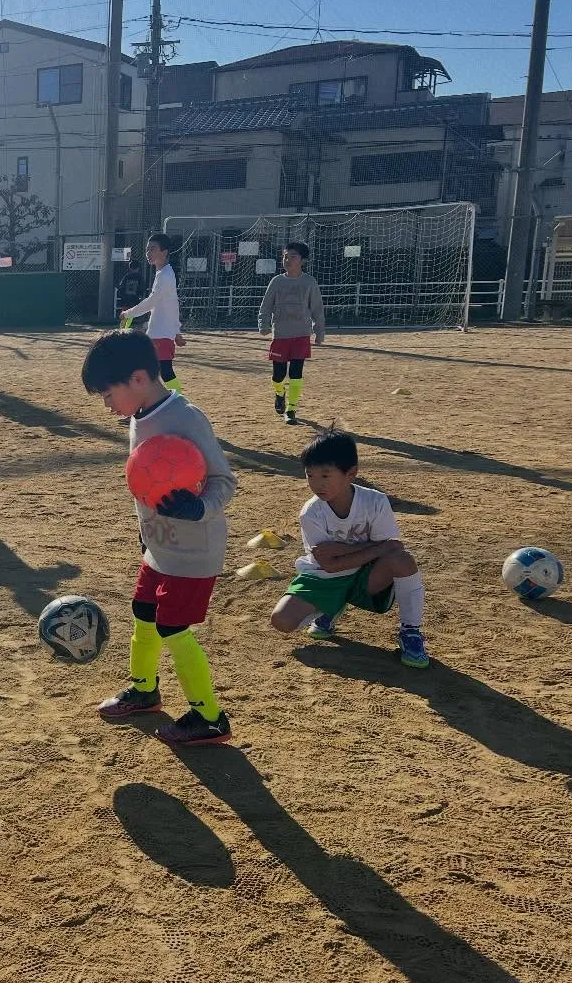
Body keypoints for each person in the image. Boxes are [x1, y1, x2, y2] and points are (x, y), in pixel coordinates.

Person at [81, 329, 238, 746]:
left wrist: (199, 508)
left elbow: (224, 480)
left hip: (193, 550)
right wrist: (144, 533)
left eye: (107, 392)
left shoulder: (185, 417)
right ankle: (145, 689)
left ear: (137, 378)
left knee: (172, 626)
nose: (106, 403)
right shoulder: (137, 416)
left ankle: (209, 716)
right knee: (143, 611)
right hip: (158, 545)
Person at [269, 428, 429, 668]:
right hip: (323, 579)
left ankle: (411, 632)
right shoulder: (311, 512)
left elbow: (394, 547)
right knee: (281, 620)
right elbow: (329, 565)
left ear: (351, 474)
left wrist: (340, 548)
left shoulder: (374, 501)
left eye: (325, 476)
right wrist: (375, 548)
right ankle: (330, 608)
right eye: (310, 475)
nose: (316, 484)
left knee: (403, 560)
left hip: (366, 576)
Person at [259, 240, 325, 425]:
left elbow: (317, 309)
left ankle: (291, 409)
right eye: (285, 256)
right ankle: (280, 393)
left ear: (302, 260)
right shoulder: (277, 282)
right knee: (278, 376)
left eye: (293, 256)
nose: (287, 260)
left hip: (301, 335)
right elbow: (265, 306)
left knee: (296, 373)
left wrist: (319, 331)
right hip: (280, 335)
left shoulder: (309, 282)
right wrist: (263, 324)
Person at [120, 233, 185, 394]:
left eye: (153, 249)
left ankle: (178, 402)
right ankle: (176, 402)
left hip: (160, 334)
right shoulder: (164, 273)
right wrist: (176, 331)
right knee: (158, 371)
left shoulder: (165, 275)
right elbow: (172, 305)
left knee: (157, 371)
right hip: (160, 333)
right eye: (147, 249)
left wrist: (128, 313)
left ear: (164, 252)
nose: (148, 253)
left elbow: (151, 302)